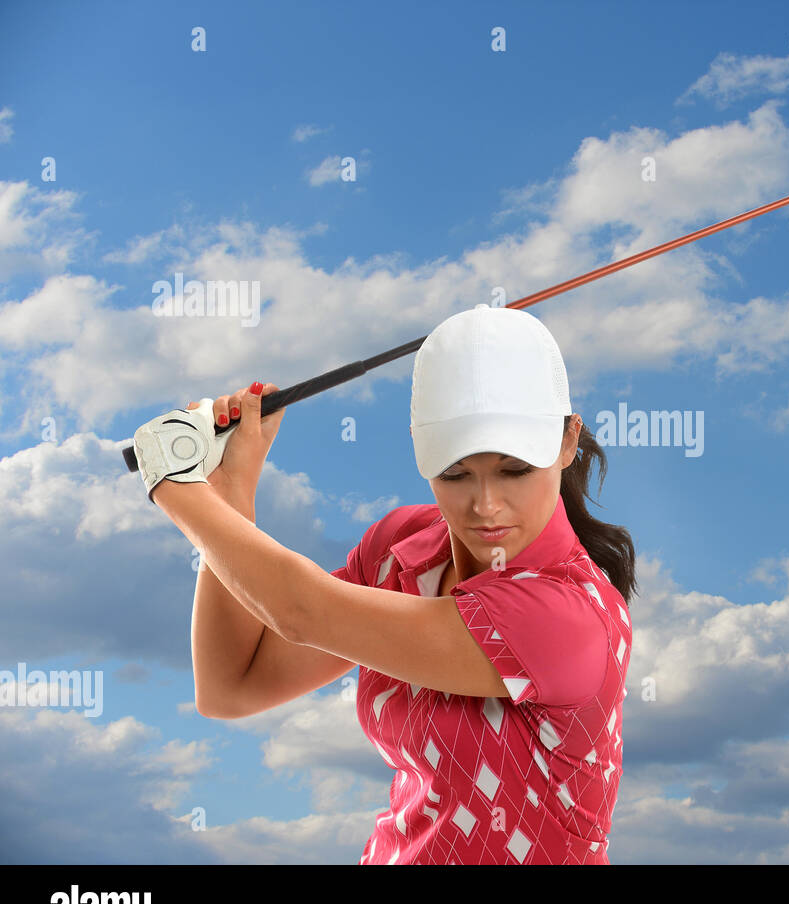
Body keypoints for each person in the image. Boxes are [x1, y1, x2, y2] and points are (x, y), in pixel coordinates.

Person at [136, 305, 637, 865]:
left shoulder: (568, 614)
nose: (486, 504)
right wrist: (231, 493)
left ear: (568, 442)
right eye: (455, 473)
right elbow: (232, 686)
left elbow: (301, 612)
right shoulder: (404, 549)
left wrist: (175, 484)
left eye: (515, 470)